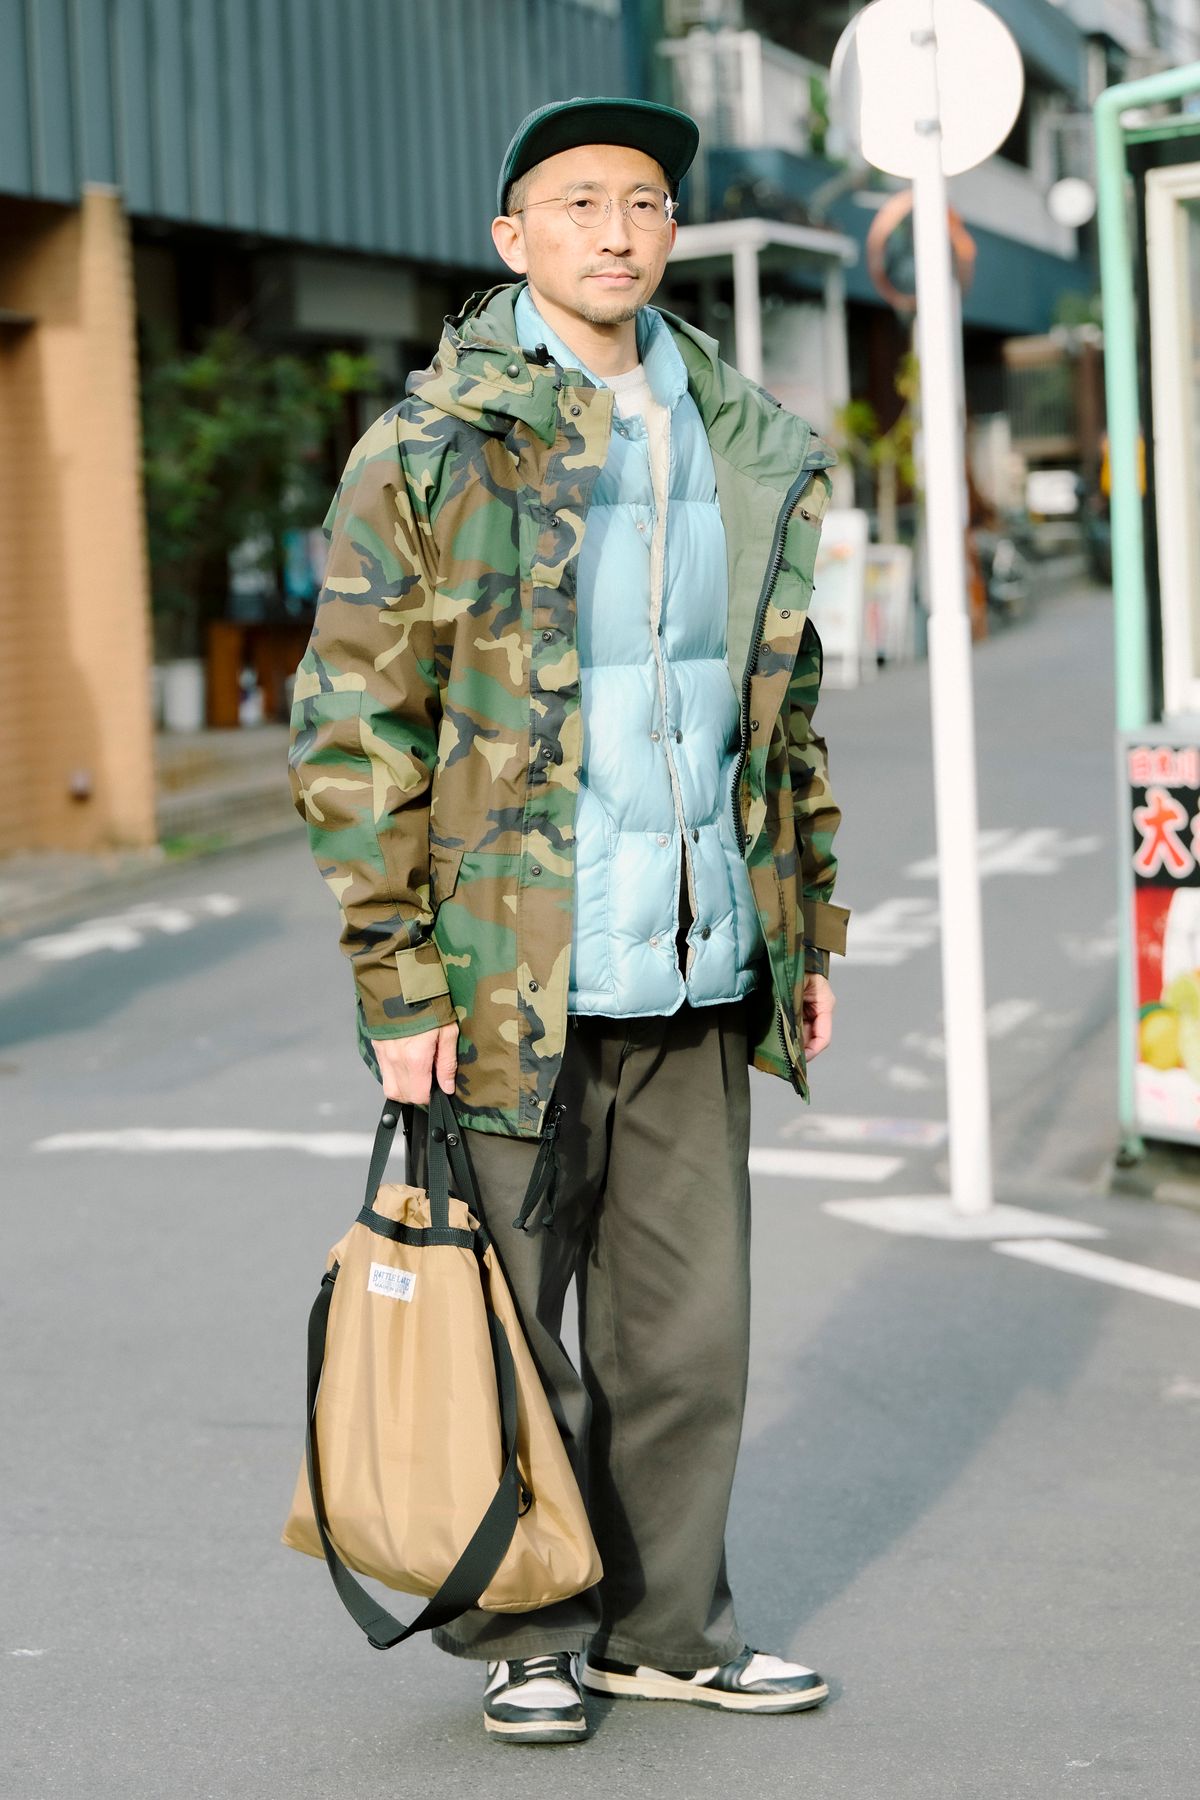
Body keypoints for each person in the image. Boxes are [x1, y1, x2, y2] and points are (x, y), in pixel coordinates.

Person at [287, 94, 850, 1745]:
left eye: (647, 202)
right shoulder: (433, 446)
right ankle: (529, 1626)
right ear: (512, 237)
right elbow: (355, 733)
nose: (618, 229)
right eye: (581, 201)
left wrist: (802, 928)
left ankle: (665, 1631)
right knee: (511, 1327)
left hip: (696, 956)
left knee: (689, 1337)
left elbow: (784, 718)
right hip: (504, 978)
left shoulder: (742, 436)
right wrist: (395, 983)